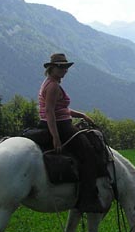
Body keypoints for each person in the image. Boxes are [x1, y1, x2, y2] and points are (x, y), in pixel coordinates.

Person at [37, 53, 104, 213]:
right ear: (51, 68)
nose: (64, 70)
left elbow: (60, 109)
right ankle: (87, 198)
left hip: (57, 123)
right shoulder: (53, 86)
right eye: (60, 67)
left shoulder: (49, 83)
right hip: (61, 126)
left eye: (65, 67)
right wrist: (56, 138)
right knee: (88, 153)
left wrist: (80, 115)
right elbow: (50, 111)